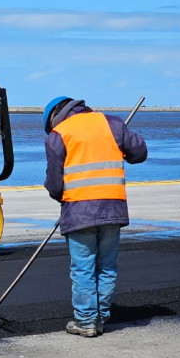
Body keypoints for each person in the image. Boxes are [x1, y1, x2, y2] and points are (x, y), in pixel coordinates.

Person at [43, 96, 147, 337]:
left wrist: (61, 198)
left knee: (83, 267)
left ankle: (87, 321)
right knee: (107, 266)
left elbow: (54, 183)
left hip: (79, 211)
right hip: (113, 208)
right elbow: (139, 153)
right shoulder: (111, 123)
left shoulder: (58, 134)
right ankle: (100, 318)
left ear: (53, 117)